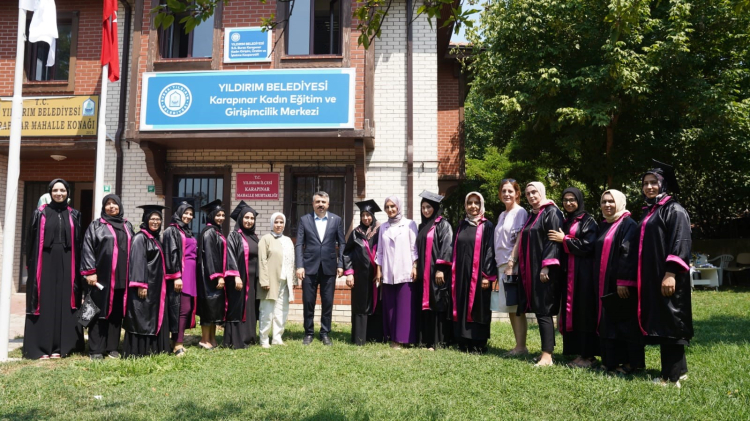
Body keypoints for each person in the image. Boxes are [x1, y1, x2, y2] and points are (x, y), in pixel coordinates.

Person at [637, 161, 692, 387]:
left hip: (669, 275)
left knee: (671, 323)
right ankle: (681, 370)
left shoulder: (674, 210)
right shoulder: (653, 210)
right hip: (656, 275)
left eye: (654, 183)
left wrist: (670, 273)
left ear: (664, 184)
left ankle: (671, 378)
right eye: (645, 183)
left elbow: (680, 242)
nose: (649, 187)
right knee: (665, 320)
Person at [23, 179, 84, 360]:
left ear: (68, 192)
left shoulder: (75, 215)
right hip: (44, 262)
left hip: (68, 261)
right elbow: (30, 241)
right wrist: (31, 266)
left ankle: (63, 346)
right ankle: (41, 346)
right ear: (50, 192)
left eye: (62, 190)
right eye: (55, 190)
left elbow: (79, 242)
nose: (59, 193)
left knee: (65, 299)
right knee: (45, 299)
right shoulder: (39, 213)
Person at [548, 187, 599, 367]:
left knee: (584, 313)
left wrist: (565, 239)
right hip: (568, 275)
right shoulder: (565, 220)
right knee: (572, 313)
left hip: (583, 275)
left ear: (579, 200)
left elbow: (588, 246)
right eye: (565, 200)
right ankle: (577, 352)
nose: (568, 203)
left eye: (572, 199)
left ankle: (588, 356)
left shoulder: (588, 221)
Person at [594, 189, 644, 374]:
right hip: (605, 283)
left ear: (620, 202)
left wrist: (623, 281)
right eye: (604, 201)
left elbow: (628, 253)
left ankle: (631, 363)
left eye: (611, 201)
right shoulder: (605, 225)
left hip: (621, 285)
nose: (607, 205)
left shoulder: (628, 224)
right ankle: (611, 362)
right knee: (609, 323)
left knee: (625, 324)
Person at [80, 194, 135, 360]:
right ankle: (96, 349)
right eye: (108, 204)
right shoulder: (96, 225)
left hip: (123, 278)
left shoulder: (127, 225)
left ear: (120, 206)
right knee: (97, 311)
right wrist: (90, 272)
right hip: (101, 278)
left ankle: (112, 347)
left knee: (116, 313)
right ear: (103, 207)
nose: (112, 207)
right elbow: (87, 248)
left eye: (115, 203)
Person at [517, 182, 564, 366]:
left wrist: (546, 266)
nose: (531, 196)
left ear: (542, 192)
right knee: (539, 309)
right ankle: (546, 351)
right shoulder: (534, 214)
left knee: (544, 310)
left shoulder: (552, 212)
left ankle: (547, 356)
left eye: (534, 192)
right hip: (533, 269)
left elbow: (553, 241)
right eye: (528, 193)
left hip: (546, 270)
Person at [295, 191, 345, 346]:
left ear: (328, 204)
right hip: (309, 267)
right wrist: (299, 265)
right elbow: (299, 244)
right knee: (308, 301)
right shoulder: (305, 220)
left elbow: (342, 243)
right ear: (313, 204)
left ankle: (325, 333)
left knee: (328, 301)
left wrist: (341, 264)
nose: (320, 205)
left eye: (323, 202)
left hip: (329, 267)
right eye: (318, 202)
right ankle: (308, 333)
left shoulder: (336, 220)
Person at [122, 205, 171, 358]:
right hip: (144, 286)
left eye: (158, 219)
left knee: (151, 317)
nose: (156, 222)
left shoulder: (154, 238)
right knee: (142, 318)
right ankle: (140, 350)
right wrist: (140, 284)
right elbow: (137, 262)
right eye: (152, 219)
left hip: (155, 287)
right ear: (146, 219)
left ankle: (154, 349)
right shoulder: (140, 238)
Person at [451, 192, 497, 354]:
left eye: (476, 203)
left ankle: (478, 343)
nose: (473, 206)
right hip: (461, 274)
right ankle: (463, 341)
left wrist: (487, 275)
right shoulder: (461, 225)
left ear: (481, 205)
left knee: (479, 307)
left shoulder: (487, 226)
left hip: (479, 275)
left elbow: (491, 250)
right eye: (469, 203)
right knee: (462, 304)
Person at [375, 196, 419, 348]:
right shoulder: (383, 227)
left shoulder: (409, 224)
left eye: (392, 206)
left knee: (404, 307)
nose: (390, 209)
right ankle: (393, 338)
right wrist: (379, 270)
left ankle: (403, 339)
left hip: (405, 271)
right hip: (388, 272)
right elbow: (380, 251)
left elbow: (414, 248)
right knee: (390, 307)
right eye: (387, 207)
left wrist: (415, 266)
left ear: (398, 206)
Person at [196, 199, 239, 350]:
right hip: (209, 277)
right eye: (218, 215)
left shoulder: (216, 231)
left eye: (222, 215)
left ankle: (212, 339)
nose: (221, 218)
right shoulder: (209, 232)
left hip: (215, 276)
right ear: (211, 216)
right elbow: (211, 256)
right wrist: (218, 275)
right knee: (208, 308)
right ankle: (204, 339)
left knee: (214, 308)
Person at [493, 179, 529, 356]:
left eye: (510, 191)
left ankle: (521, 347)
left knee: (516, 307)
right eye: (504, 191)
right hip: (501, 264)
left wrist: (511, 262)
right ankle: (518, 346)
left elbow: (520, 237)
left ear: (517, 193)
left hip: (512, 264)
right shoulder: (502, 214)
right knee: (510, 307)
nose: (506, 194)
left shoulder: (520, 212)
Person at [415, 191, 453, 350]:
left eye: (429, 207)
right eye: (423, 207)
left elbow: (447, 247)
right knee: (425, 305)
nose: (425, 210)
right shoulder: (422, 226)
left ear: (436, 207)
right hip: (424, 272)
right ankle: (426, 341)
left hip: (436, 272)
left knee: (437, 303)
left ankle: (438, 342)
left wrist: (441, 269)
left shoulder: (443, 224)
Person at [343, 199, 384, 345]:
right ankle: (359, 338)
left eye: (368, 215)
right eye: (363, 215)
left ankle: (375, 337)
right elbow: (347, 253)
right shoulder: (356, 233)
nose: (366, 218)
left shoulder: (380, 231)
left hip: (377, 274)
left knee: (377, 304)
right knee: (360, 304)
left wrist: (381, 270)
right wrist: (350, 273)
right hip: (360, 276)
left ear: (373, 215)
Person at [162, 200, 198, 356]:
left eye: (191, 214)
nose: (188, 216)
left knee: (186, 308)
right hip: (181, 273)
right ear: (178, 213)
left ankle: (175, 340)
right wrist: (176, 276)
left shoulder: (186, 231)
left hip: (190, 274)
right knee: (182, 308)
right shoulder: (172, 230)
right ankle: (178, 344)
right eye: (186, 213)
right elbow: (171, 254)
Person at [257, 212, 296, 348]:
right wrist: (264, 281)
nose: (279, 225)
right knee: (267, 311)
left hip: (285, 282)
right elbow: (262, 261)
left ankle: (277, 338)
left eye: (281, 222)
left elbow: (292, 261)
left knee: (281, 311)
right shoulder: (266, 239)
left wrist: (293, 281)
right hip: (270, 281)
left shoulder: (288, 240)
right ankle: (264, 339)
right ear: (271, 223)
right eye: (276, 222)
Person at [225, 201, 260, 348]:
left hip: (252, 279)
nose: (249, 221)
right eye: (246, 217)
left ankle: (249, 337)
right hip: (239, 278)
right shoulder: (234, 235)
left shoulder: (254, 236)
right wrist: (236, 276)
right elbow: (230, 256)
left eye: (252, 218)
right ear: (240, 218)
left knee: (250, 307)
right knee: (238, 307)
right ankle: (236, 339)